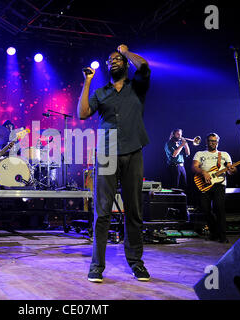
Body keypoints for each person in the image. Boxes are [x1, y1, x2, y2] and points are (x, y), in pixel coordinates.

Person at [77, 44, 151, 282]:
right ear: (107, 67)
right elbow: (82, 113)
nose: (113, 61)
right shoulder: (101, 92)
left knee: (134, 211)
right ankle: (97, 266)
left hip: (133, 151)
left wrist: (126, 52)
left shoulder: (137, 87)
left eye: (118, 59)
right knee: (102, 212)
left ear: (125, 64)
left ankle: (136, 263)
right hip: (107, 154)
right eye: (110, 60)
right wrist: (88, 81)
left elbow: (144, 66)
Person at [192, 133, 236, 243]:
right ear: (206, 142)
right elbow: (194, 167)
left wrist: (232, 170)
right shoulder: (200, 153)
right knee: (205, 209)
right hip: (204, 183)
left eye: (215, 141)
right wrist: (203, 172)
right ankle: (214, 232)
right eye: (210, 141)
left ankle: (222, 236)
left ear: (218, 142)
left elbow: (231, 171)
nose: (213, 143)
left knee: (219, 208)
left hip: (219, 184)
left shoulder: (224, 154)